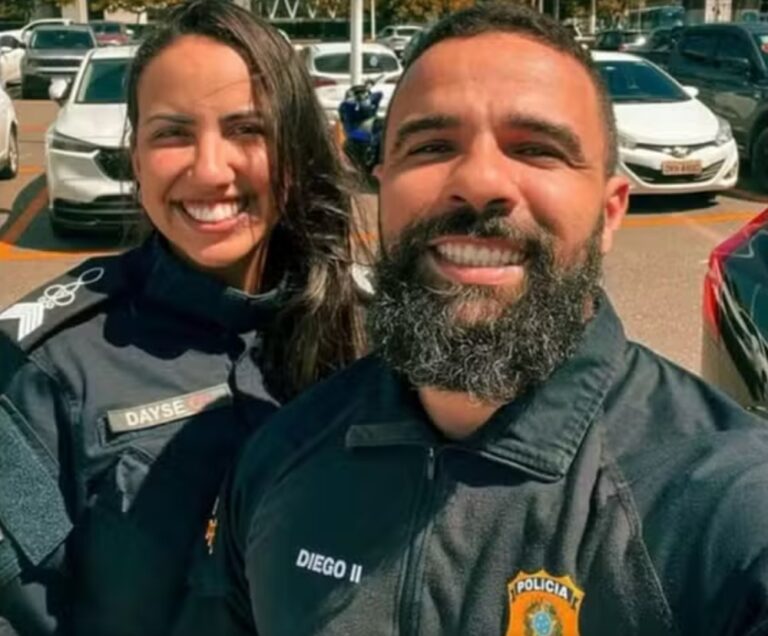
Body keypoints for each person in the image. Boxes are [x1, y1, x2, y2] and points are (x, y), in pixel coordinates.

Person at [173, 4, 768, 636]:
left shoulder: (729, 509)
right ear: (382, 188)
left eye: (536, 149)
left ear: (610, 212)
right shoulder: (279, 460)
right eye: (432, 146)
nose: (481, 182)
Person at [0, 1, 367, 635]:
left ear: (295, 151)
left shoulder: (368, 333)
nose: (209, 170)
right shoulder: (44, 368)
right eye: (172, 133)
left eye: (247, 129)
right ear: (136, 156)